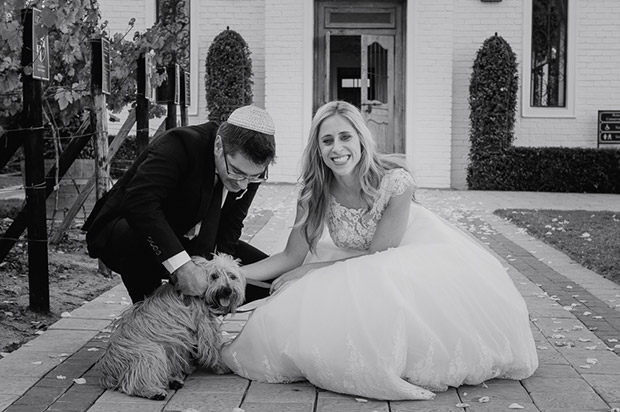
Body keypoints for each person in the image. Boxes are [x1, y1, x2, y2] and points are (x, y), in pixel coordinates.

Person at [221, 101, 538, 401]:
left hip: (401, 257)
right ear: (318, 149)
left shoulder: (395, 181)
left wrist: (306, 271)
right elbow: (289, 257)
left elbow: (379, 258)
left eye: (345, 137)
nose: (337, 148)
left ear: (361, 139)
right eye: (327, 140)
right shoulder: (315, 189)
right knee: (290, 305)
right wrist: (228, 272)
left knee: (366, 290)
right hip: (353, 257)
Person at [83, 105, 276, 303]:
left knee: (273, 281)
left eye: (253, 177)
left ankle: (200, 316)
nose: (243, 184)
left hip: (195, 243)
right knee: (133, 237)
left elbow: (231, 225)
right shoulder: (180, 144)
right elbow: (140, 203)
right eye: (236, 172)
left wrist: (220, 275)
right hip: (134, 235)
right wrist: (182, 266)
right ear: (218, 146)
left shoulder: (249, 171)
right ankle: (152, 314)